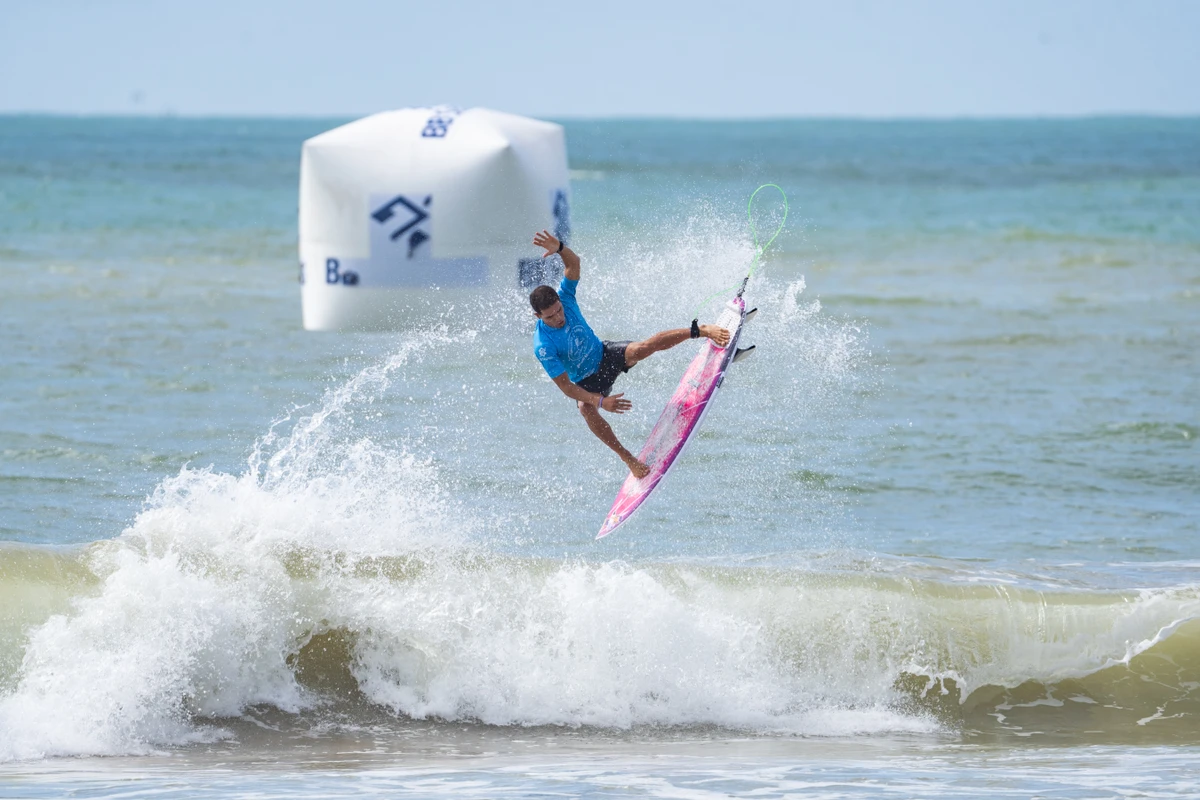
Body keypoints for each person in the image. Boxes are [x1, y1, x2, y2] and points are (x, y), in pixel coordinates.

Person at [528, 229, 730, 478]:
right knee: (585, 410)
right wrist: (600, 401)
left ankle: (701, 330)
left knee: (642, 348)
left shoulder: (565, 298)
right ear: (538, 316)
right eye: (551, 316)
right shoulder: (543, 345)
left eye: (559, 310)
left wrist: (560, 248)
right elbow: (566, 387)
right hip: (586, 381)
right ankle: (629, 460)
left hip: (604, 354)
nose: (559, 317)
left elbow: (574, 264)